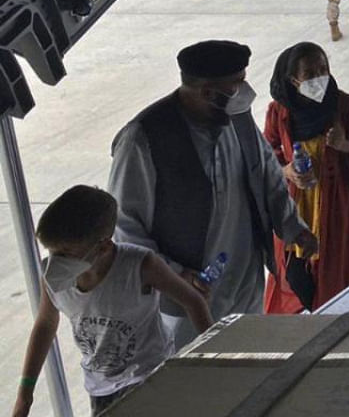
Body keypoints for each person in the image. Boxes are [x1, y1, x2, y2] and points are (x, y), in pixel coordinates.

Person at [108, 40, 317, 346]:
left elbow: (267, 174)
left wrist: (292, 226)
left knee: (248, 364)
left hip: (245, 281)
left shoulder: (237, 116)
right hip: (186, 296)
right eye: (237, 84)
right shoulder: (144, 139)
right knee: (196, 378)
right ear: (207, 92)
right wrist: (174, 275)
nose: (245, 91)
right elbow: (125, 227)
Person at [14, 186, 214, 416]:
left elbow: (193, 301)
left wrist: (211, 361)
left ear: (103, 246)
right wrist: (25, 393)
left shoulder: (141, 265)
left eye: (67, 253)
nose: (56, 261)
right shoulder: (53, 276)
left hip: (149, 376)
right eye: (52, 251)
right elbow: (45, 324)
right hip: (100, 387)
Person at [263, 42, 349, 313]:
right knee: (294, 274)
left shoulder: (346, 107)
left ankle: (327, 325)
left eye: (323, 69)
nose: (319, 78)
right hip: (295, 208)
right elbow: (267, 155)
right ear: (293, 80)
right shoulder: (279, 112)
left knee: (334, 279)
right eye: (310, 73)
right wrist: (286, 171)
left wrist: (345, 145)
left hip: (336, 209)